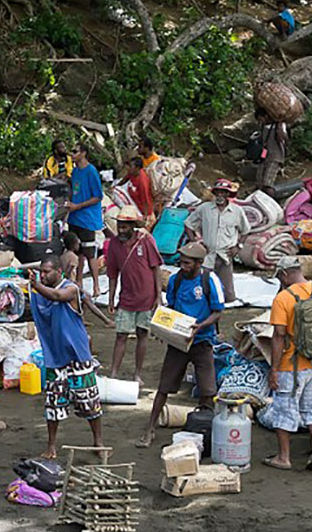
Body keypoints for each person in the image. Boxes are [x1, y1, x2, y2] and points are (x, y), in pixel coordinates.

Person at [137, 242, 225, 448]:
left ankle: (206, 431)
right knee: (165, 385)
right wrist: (163, 329)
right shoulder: (176, 280)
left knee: (207, 389)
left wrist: (199, 326)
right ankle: (150, 428)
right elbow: (172, 308)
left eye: (187, 263)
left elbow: (218, 311)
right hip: (179, 341)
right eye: (181, 262)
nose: (182, 266)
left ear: (199, 263)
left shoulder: (209, 279)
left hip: (202, 340)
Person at [258, 256, 312, 470]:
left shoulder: (283, 299)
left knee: (284, 408)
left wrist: (273, 369)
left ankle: (283, 457)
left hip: (292, 365)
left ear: (283, 274)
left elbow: (278, 336)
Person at [29, 255, 105, 459]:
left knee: (89, 400)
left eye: (47, 272)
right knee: (53, 404)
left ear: (59, 272)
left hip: (77, 355)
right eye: (41, 272)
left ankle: (98, 441)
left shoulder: (70, 288)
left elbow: (56, 296)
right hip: (56, 356)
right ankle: (51, 445)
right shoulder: (40, 291)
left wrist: (36, 285)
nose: (43, 275)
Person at [106, 206, 162, 385]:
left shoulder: (146, 240)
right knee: (121, 335)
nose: (121, 230)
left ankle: (138, 374)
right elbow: (112, 274)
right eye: (119, 226)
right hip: (126, 297)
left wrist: (158, 296)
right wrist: (111, 298)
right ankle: (113, 373)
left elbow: (156, 268)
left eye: (124, 227)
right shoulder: (114, 244)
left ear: (132, 226)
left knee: (142, 334)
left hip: (146, 297)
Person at [184, 178, 250, 303]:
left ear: (227, 194)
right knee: (204, 291)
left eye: (223, 192)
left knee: (228, 296)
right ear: (214, 193)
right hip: (207, 255)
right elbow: (188, 224)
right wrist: (195, 242)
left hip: (225, 255)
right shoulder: (205, 208)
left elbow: (245, 230)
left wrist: (238, 246)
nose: (220, 195)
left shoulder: (236, 211)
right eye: (218, 192)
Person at [65, 143, 104, 299]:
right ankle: (78, 282)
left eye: (75, 151)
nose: (72, 154)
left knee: (90, 253)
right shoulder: (75, 171)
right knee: (78, 252)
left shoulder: (91, 172)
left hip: (87, 218)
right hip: (75, 217)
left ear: (83, 153)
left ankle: (96, 286)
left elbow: (98, 196)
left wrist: (78, 206)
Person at [255, 107, 287, 188]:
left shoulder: (279, 125)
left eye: (260, 119)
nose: (260, 121)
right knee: (259, 180)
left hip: (275, 156)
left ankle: (269, 197)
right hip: (264, 156)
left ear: (266, 116)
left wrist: (279, 126)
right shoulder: (263, 126)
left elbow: (283, 139)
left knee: (267, 182)